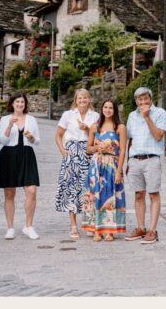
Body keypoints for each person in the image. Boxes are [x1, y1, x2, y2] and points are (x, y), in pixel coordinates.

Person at [123, 87, 166, 245]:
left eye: (145, 99)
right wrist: (127, 162)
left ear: (150, 98)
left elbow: (158, 136)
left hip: (152, 158)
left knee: (153, 194)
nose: (143, 102)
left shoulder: (160, 113)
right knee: (138, 194)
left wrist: (147, 117)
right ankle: (140, 227)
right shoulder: (131, 116)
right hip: (134, 159)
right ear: (136, 101)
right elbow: (129, 139)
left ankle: (152, 230)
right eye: (139, 99)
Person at [0, 93, 41, 240]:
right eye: (17, 102)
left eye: (22, 102)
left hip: (27, 155)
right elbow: (3, 140)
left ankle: (28, 226)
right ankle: (10, 228)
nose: (20, 104)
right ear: (12, 104)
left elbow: (37, 141)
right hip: (9, 156)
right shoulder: (5, 119)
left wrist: (31, 137)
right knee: (9, 194)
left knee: (31, 191)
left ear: (25, 104)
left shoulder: (31, 119)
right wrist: (9, 126)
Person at [55, 88, 99, 239]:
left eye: (85, 98)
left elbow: (96, 137)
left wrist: (87, 129)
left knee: (88, 188)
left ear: (89, 99)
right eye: (80, 98)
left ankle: (88, 223)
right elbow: (58, 135)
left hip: (88, 153)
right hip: (72, 152)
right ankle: (73, 225)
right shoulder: (68, 115)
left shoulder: (95, 116)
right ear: (76, 100)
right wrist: (63, 151)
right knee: (71, 188)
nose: (82, 101)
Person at [83, 99, 127, 242]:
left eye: (110, 108)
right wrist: (96, 148)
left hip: (112, 165)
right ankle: (96, 229)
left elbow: (122, 152)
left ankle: (110, 231)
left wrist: (119, 171)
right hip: (96, 165)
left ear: (114, 110)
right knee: (96, 196)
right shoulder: (95, 127)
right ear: (102, 109)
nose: (107, 110)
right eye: (105, 107)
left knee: (111, 196)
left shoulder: (119, 127)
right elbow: (88, 149)